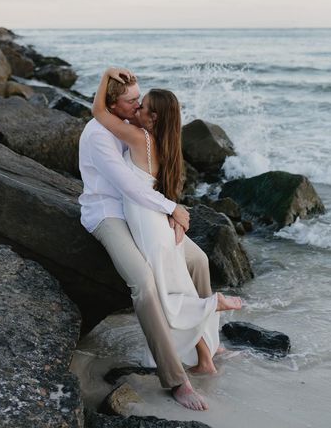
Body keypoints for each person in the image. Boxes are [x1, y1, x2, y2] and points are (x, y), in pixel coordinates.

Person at [78, 67, 240, 412]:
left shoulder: (136, 128)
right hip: (108, 214)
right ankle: (176, 379)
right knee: (144, 283)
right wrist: (173, 208)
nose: (137, 104)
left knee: (197, 260)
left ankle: (207, 344)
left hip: (143, 211)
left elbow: (148, 181)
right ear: (114, 104)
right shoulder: (99, 135)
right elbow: (129, 185)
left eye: (140, 100)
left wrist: (168, 211)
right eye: (131, 100)